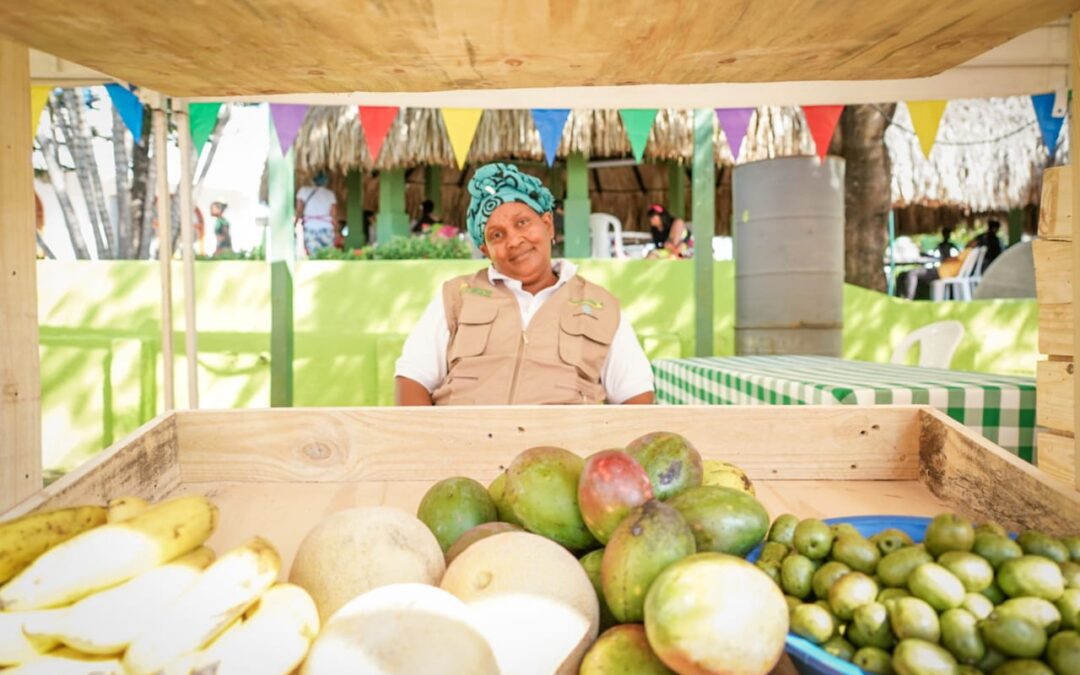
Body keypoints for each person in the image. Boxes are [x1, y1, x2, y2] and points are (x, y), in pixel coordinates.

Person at [394, 162, 655, 406]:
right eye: (497, 235)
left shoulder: (601, 305)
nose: (514, 240)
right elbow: (412, 378)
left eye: (522, 222)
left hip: (566, 451)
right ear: (486, 250)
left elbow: (635, 394)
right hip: (463, 448)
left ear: (548, 225)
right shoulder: (456, 297)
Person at [900, 227, 957, 299]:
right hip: (942, 269)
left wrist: (945, 259)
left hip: (943, 272)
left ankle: (908, 298)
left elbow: (948, 259)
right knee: (908, 274)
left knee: (912, 273)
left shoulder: (952, 248)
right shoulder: (943, 245)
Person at [295, 171, 338, 255]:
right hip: (327, 228)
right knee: (327, 255)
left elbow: (299, 211)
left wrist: (295, 224)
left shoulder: (303, 191)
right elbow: (334, 215)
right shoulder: (330, 194)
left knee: (314, 255)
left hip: (310, 228)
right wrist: (336, 230)